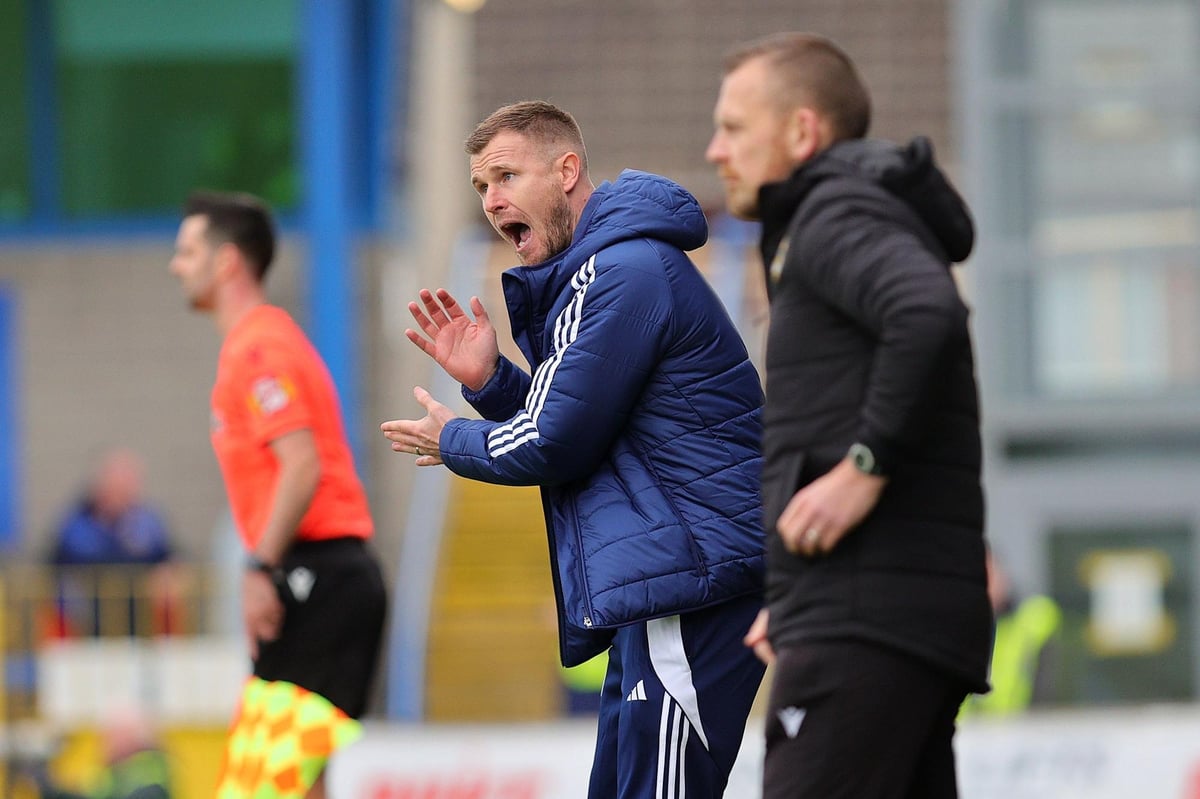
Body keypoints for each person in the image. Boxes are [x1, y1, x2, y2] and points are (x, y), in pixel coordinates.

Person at [381, 101, 765, 799]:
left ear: (566, 172)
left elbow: (556, 441)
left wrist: (453, 440)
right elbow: (590, 433)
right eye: (480, 188)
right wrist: (492, 382)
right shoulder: (605, 273)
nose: (493, 201)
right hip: (663, 591)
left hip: (691, 587)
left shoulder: (623, 271)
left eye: (504, 175)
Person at [705, 33, 993, 798]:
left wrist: (865, 468)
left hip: (866, 622)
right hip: (882, 611)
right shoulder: (851, 214)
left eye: (734, 128)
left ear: (801, 131)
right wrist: (802, 593)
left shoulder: (833, 214)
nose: (714, 149)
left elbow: (927, 312)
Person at [170, 191, 387, 799]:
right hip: (320, 577)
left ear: (227, 263)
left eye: (187, 251)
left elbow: (301, 465)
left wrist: (258, 567)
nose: (175, 265)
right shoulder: (263, 342)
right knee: (296, 786)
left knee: (260, 790)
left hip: (316, 576)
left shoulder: (258, 349)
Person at [48, 448, 181, 637]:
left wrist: (168, 571)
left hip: (138, 619)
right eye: (118, 482)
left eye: (129, 482)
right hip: (88, 619)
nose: (124, 489)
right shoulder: (77, 523)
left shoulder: (148, 522)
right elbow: (56, 562)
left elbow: (168, 553)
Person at [960, 550, 1061, 717]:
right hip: (966, 737)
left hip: (1023, 734)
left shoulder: (1034, 620)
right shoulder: (955, 629)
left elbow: (1050, 691)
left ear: (1002, 577)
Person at [32, 705, 173, 799]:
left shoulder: (151, 769)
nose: (105, 742)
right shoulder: (113, 770)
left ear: (132, 738)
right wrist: (53, 791)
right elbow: (88, 794)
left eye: (112, 735)